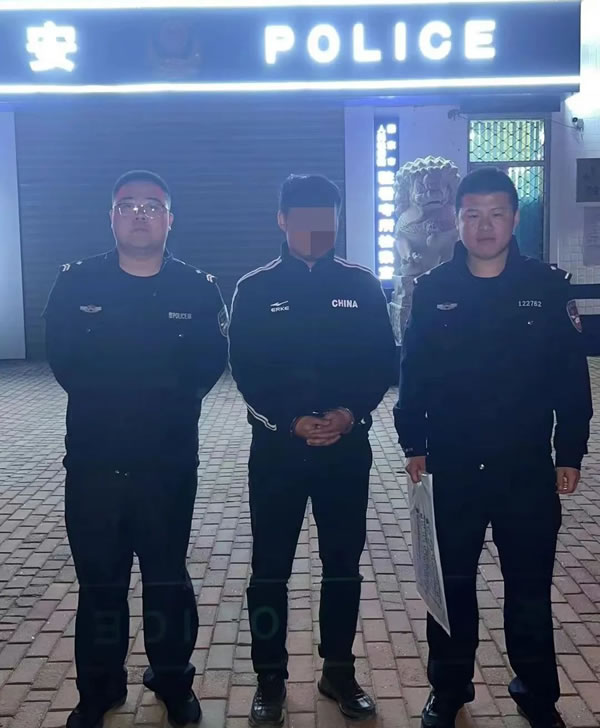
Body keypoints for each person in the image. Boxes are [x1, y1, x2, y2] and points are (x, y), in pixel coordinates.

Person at [394, 167, 593, 728]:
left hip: (524, 467)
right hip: (452, 464)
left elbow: (570, 377)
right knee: (451, 587)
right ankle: (448, 690)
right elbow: (414, 374)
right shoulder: (434, 290)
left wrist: (570, 451)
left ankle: (537, 695)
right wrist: (413, 442)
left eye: (496, 214)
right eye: (473, 214)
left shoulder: (546, 287)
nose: (485, 226)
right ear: (457, 220)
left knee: (528, 590)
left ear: (514, 219)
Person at [44, 170, 228, 728]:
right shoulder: (76, 283)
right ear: (112, 217)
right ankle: (99, 689)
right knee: (100, 582)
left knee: (167, 579)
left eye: (152, 206)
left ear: (170, 219)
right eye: (128, 205)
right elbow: (63, 361)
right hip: (95, 463)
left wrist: (158, 406)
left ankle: (172, 679)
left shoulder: (197, 288)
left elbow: (208, 365)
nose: (140, 214)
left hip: (166, 464)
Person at [228, 173, 397, 727]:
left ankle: (339, 671)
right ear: (282, 220)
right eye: (302, 218)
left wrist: (350, 413)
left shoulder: (362, 284)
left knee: (343, 566)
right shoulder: (254, 287)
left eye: (326, 219)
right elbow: (245, 368)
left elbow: (382, 361)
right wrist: (289, 421)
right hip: (277, 452)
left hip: (345, 451)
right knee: (269, 569)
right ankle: (269, 678)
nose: (314, 230)